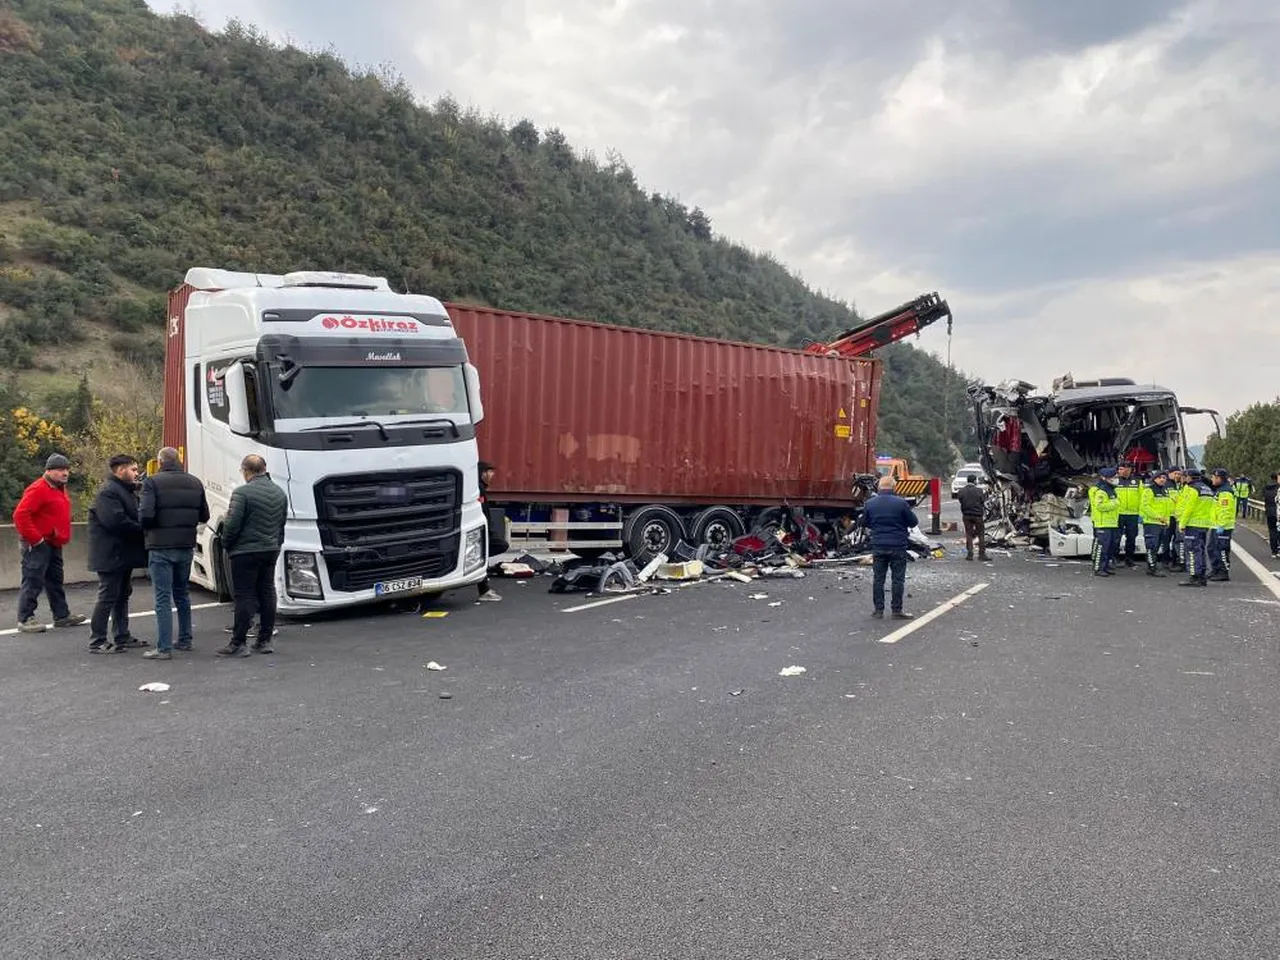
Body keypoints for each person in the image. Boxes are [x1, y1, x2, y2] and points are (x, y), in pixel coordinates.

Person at [140, 446, 210, 660]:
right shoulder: (194, 482)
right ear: (178, 460)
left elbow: (146, 515)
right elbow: (204, 515)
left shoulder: (152, 482)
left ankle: (163, 648)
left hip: (160, 546)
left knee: (162, 597)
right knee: (182, 593)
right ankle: (186, 639)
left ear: (160, 462)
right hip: (186, 545)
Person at [217, 454, 287, 658]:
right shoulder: (279, 492)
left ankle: (238, 642)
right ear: (264, 469)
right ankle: (264, 640)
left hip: (245, 551)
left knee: (245, 596)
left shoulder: (242, 493)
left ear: (245, 471)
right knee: (267, 592)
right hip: (270, 549)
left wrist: (226, 544)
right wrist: (276, 544)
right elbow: (281, 523)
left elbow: (231, 525)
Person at [12, 453, 87, 633]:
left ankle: (62, 615)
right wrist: (36, 539)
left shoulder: (59, 488)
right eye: (60, 470)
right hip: (38, 542)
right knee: (33, 578)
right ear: (49, 471)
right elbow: (20, 515)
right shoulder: (38, 488)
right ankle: (25, 617)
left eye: (67, 469)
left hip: (53, 542)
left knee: (55, 580)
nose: (65, 473)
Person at [86, 454, 148, 653]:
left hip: (123, 554)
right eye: (134, 469)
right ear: (121, 470)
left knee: (122, 595)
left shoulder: (126, 491)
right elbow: (116, 521)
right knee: (108, 596)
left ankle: (122, 635)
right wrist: (142, 528)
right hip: (110, 554)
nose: (136, 473)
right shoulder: (108, 493)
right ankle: (97, 640)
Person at [861, 475, 918, 619]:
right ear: (894, 487)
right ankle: (896, 610)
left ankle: (878, 610)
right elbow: (913, 522)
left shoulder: (870, 503)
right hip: (898, 545)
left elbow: (864, 522)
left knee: (878, 579)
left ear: (879, 487)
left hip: (878, 545)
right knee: (897, 579)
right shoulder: (901, 503)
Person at [1176, 468, 1216, 587]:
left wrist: (1182, 523)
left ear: (1189, 477)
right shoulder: (1207, 488)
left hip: (1193, 524)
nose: (1182, 478)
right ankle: (1202, 576)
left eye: (1184, 476)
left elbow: (1189, 507)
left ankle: (1194, 577)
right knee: (1201, 550)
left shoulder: (1192, 489)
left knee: (1192, 551)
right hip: (1204, 524)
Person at [476, 461, 505, 602]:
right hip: (481, 529)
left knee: (482, 556)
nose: (492, 475)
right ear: (482, 473)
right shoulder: (478, 490)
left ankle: (484, 589)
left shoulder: (480, 488)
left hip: (483, 529)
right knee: (483, 555)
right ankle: (484, 590)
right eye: (489, 472)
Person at [1139, 470, 1174, 578]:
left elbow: (1168, 508)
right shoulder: (1149, 490)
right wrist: (1158, 517)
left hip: (1162, 523)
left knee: (1157, 546)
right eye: (1160, 478)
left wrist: (1167, 520)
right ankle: (1152, 568)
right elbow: (1145, 506)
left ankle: (1152, 566)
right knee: (1152, 546)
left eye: (1164, 478)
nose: (1163, 480)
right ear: (1154, 479)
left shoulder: (1165, 491)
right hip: (1152, 523)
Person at [1089, 467, 1121, 577]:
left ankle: (1106, 566)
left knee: (1110, 547)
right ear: (1105, 478)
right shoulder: (1101, 491)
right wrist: (1115, 503)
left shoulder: (1111, 489)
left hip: (1112, 522)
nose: (1116, 479)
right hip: (1103, 523)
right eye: (1113, 477)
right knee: (1102, 548)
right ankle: (1099, 568)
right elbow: (1100, 506)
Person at [1208, 468, 1236, 582]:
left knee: (1222, 549)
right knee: (1212, 548)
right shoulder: (1219, 490)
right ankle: (1215, 569)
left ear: (1219, 478)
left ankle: (1223, 572)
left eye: (1213, 477)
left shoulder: (1225, 492)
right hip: (1216, 526)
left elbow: (1226, 510)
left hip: (1223, 527)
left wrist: (1222, 525)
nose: (1212, 479)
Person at [1112, 462, 1142, 567]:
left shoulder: (1137, 481)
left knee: (1132, 537)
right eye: (1121, 469)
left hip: (1133, 514)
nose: (1123, 471)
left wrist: (1141, 513)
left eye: (1126, 469)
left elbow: (1142, 497)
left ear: (1130, 470)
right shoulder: (1114, 481)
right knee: (1116, 537)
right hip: (1118, 513)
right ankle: (1114, 558)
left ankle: (1129, 559)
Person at [955, 474, 988, 561]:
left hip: (966, 515)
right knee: (981, 534)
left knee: (968, 534)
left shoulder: (961, 491)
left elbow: (960, 500)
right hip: (978, 515)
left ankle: (970, 554)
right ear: (975, 481)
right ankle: (982, 554)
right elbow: (983, 501)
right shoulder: (979, 491)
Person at [1165, 467, 1185, 571]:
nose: (1177, 475)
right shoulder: (1165, 484)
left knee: (1178, 539)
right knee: (1166, 539)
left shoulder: (1181, 485)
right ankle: (1166, 560)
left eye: (1179, 474)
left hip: (1178, 517)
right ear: (1169, 473)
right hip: (1168, 516)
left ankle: (1175, 559)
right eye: (1175, 473)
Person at [1264, 473, 1279, 558]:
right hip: (1277, 512)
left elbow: (1265, 499)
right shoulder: (1278, 488)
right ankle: (1278, 549)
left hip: (1269, 512)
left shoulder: (1266, 487)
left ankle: (1274, 551)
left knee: (1272, 531)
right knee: (1278, 531)